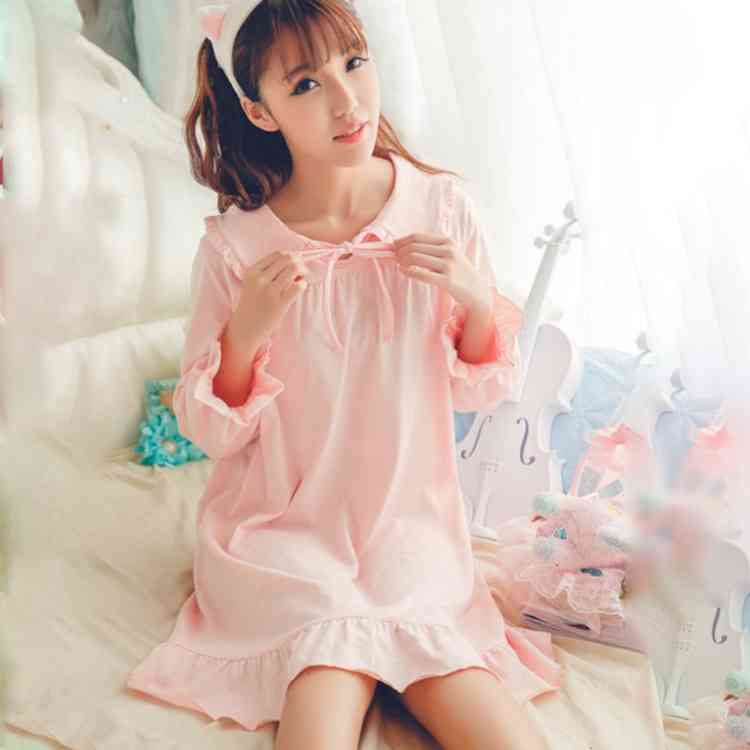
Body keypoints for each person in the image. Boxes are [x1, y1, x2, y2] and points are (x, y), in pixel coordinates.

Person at [124, 1, 561, 748]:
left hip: (410, 531)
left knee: (498, 728)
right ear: (259, 112)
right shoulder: (237, 248)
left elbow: (479, 387)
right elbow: (211, 431)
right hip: (284, 539)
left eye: (354, 63)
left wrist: (473, 300)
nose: (346, 99)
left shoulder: (440, 208)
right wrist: (246, 331)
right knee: (322, 697)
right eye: (304, 84)